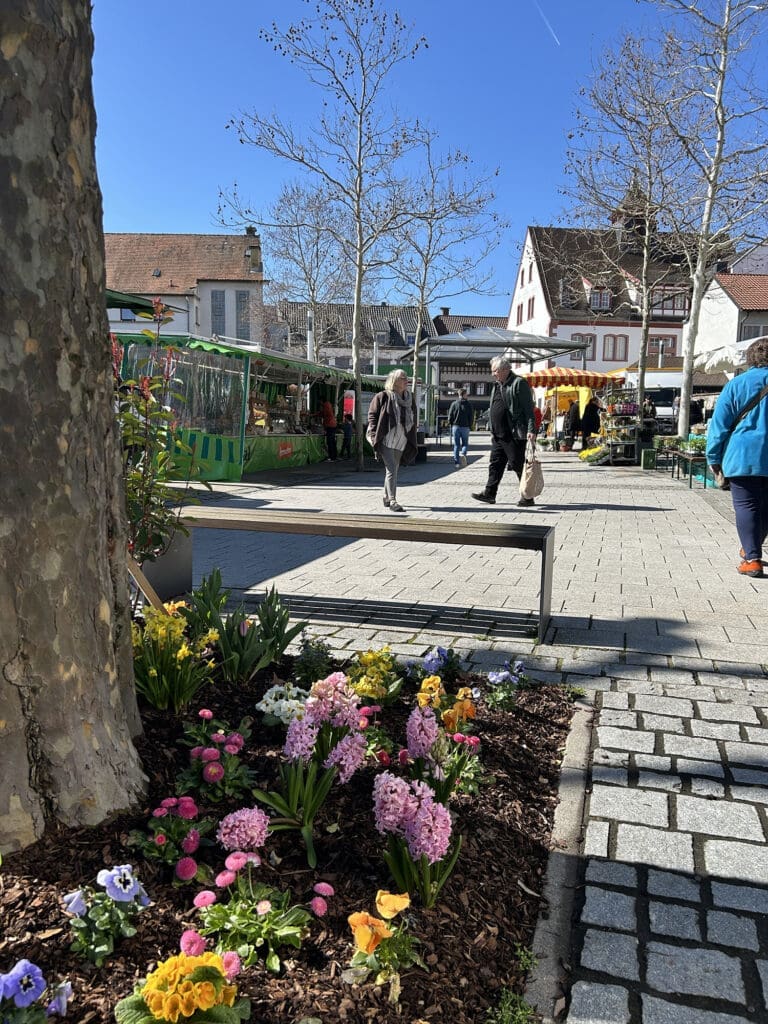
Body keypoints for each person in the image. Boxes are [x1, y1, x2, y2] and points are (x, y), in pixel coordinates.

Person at [706, 336, 768, 578]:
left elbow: (719, 425)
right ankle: (751, 548)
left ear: (750, 359)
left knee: (747, 505)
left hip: (743, 455)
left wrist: (713, 457)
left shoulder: (736, 385)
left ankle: (752, 558)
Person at [471, 356, 537, 507]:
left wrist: (531, 429)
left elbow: (529, 409)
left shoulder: (519, 383)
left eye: (495, 371)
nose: (493, 374)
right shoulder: (497, 385)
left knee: (517, 464)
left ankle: (528, 497)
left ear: (506, 369)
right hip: (498, 434)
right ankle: (489, 494)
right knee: (495, 464)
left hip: (512, 433)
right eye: (493, 371)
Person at [367, 369, 418, 513]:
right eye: (403, 378)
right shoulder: (383, 396)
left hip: (401, 439)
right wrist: (374, 435)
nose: (406, 380)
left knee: (393, 469)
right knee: (391, 469)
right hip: (386, 438)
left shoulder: (409, 398)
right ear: (394, 381)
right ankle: (393, 501)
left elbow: (414, 416)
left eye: (406, 377)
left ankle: (386, 497)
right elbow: (372, 416)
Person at [447, 387, 473, 468]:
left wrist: (451, 423)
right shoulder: (468, 404)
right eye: (466, 394)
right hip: (465, 427)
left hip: (456, 427)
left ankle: (457, 463)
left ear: (458, 394)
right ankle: (463, 454)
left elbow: (450, 416)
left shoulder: (454, 404)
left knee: (456, 445)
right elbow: (471, 416)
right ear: (464, 394)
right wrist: (470, 425)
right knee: (465, 444)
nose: (467, 395)